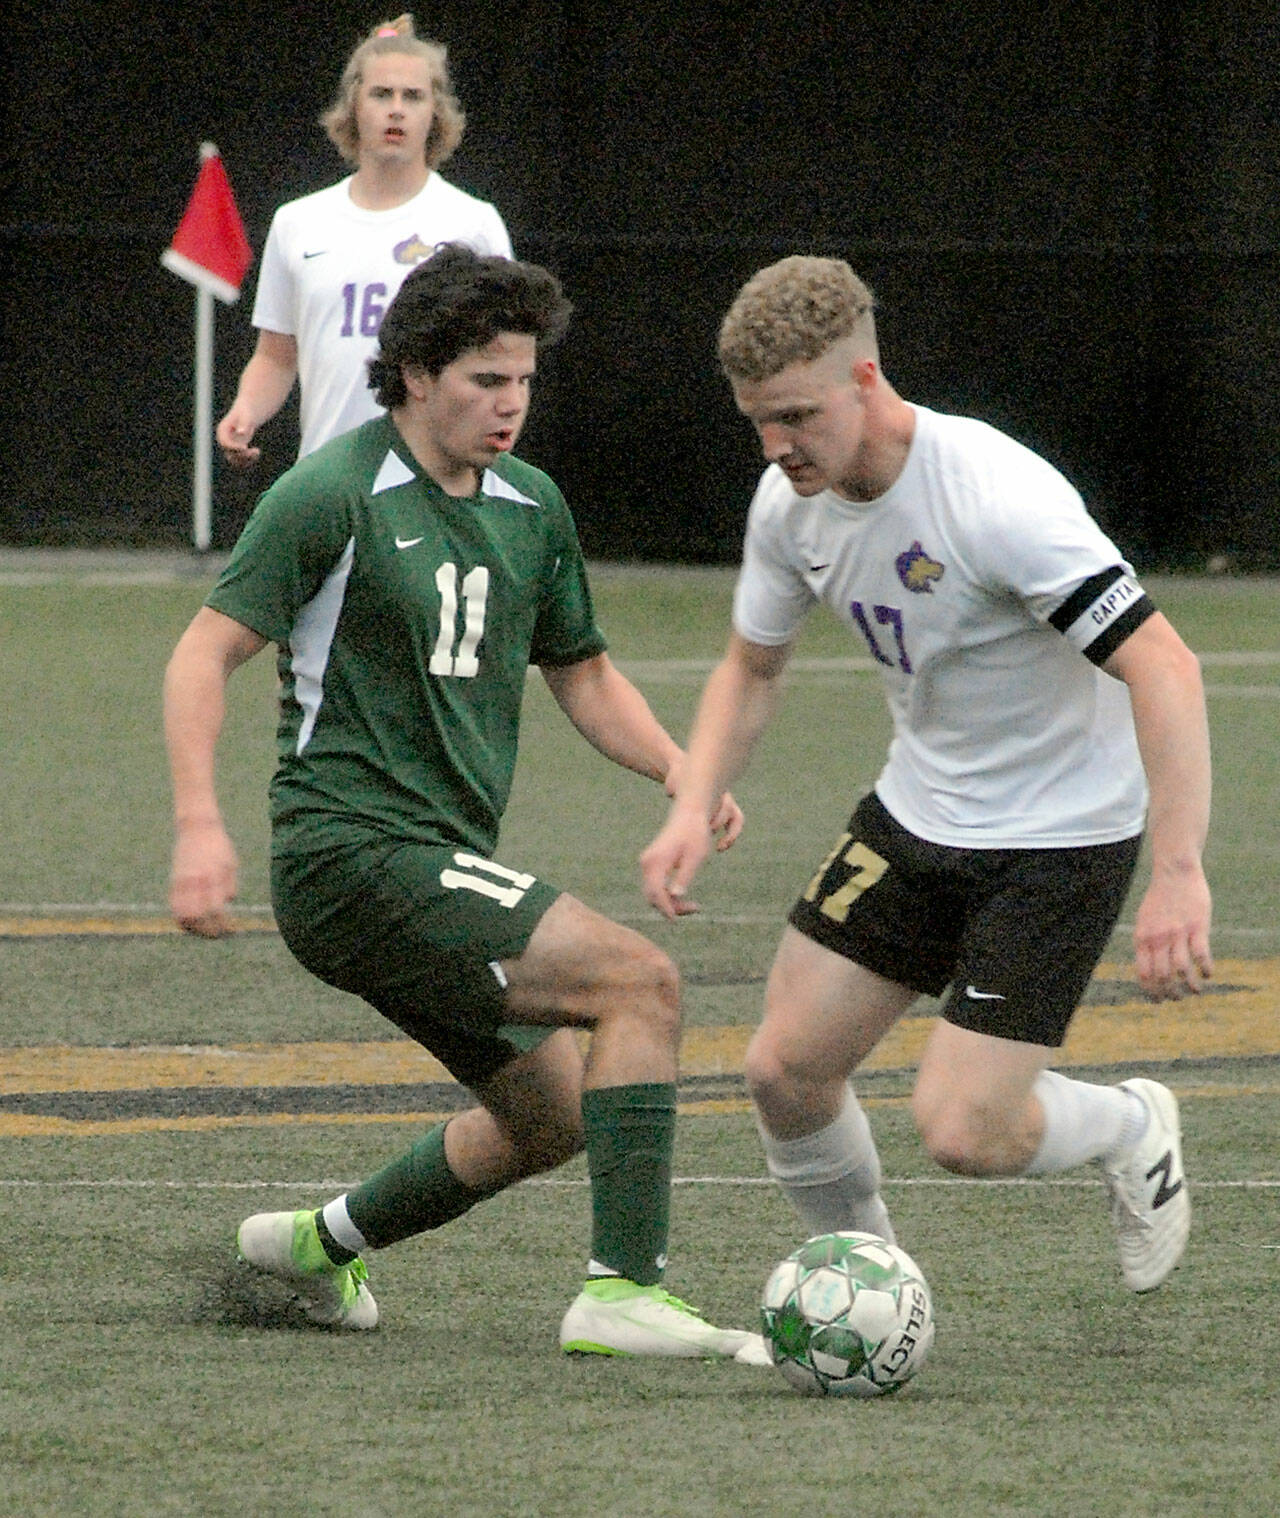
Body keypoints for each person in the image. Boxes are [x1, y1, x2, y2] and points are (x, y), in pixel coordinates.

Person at [166, 244, 759, 1360]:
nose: (511, 404)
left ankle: (313, 1247)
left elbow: (578, 672)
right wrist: (201, 823)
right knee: (640, 982)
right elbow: (202, 658)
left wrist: (683, 771)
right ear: (418, 372)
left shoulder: (530, 504)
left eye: (524, 380)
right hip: (349, 855)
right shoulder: (331, 492)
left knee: (550, 1120)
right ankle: (623, 1292)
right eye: (487, 379)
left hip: (432, 860)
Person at [641, 255, 1212, 1296]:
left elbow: (1162, 667)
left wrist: (1176, 871)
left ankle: (1131, 1123)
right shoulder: (788, 503)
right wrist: (689, 804)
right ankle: (869, 1278)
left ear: (865, 379)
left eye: (796, 416)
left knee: (962, 1129)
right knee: (782, 1070)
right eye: (756, 422)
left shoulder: (994, 496)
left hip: (1057, 838)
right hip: (917, 813)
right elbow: (750, 667)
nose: (775, 447)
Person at [216, 14, 512, 467]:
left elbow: (502, 360)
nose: (396, 109)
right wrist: (246, 411)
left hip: (436, 481)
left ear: (435, 112)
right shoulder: (299, 223)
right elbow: (276, 356)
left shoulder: (473, 224)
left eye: (412, 96)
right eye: (381, 94)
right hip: (331, 476)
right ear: (354, 107)